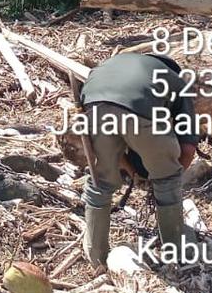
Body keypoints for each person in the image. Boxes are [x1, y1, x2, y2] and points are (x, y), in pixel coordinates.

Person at [77, 52, 199, 266]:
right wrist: (166, 176)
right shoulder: (176, 81)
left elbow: (116, 148)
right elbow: (188, 149)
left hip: (94, 102)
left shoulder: (113, 64)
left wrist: (133, 172)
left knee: (101, 182)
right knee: (167, 178)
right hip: (141, 108)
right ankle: (176, 250)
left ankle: (96, 255)